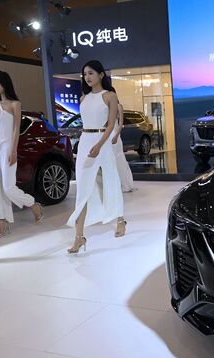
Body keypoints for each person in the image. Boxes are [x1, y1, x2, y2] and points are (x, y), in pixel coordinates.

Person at [66, 60, 126, 253]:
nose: (87, 77)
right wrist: (89, 144)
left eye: (91, 73)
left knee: (111, 180)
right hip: (85, 140)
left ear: (101, 75)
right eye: (85, 74)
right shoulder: (83, 98)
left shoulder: (110, 96)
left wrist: (100, 144)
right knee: (83, 187)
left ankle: (120, 219)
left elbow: (111, 124)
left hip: (103, 142)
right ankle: (79, 237)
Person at [0, 71, 43, 239]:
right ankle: (1, 221)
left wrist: (13, 150)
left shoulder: (15, 104)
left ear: (5, 84)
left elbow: (16, 129)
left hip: (7, 148)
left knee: (8, 188)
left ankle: (33, 204)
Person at [111, 99, 134, 193]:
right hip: (107, 135)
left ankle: (126, 184)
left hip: (115, 134)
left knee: (119, 159)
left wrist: (116, 135)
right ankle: (116, 184)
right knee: (112, 161)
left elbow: (121, 123)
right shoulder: (107, 107)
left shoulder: (118, 106)